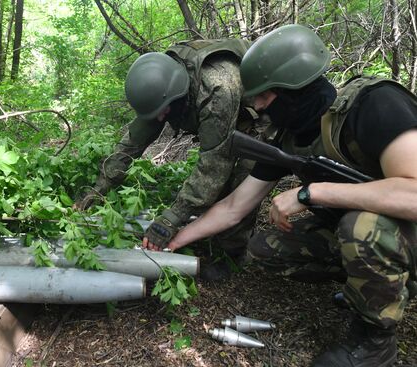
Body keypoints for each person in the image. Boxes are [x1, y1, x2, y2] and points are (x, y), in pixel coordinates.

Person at [146, 24, 417, 366]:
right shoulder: (291, 136)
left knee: (360, 228)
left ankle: (376, 341)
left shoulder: (374, 106)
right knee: (264, 249)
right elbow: (234, 206)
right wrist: (175, 240)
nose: (257, 107)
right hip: (392, 235)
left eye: (264, 96)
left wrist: (311, 193)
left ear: (294, 89)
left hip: (399, 229)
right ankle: (370, 287)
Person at [77, 38, 265, 277]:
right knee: (216, 189)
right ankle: (209, 232)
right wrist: (99, 189)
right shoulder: (160, 89)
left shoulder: (217, 89)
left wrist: (170, 220)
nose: (159, 120)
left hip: (262, 116)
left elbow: (214, 164)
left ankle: (231, 255)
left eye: (162, 113)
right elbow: (131, 144)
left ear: (178, 96)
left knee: (244, 179)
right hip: (227, 114)